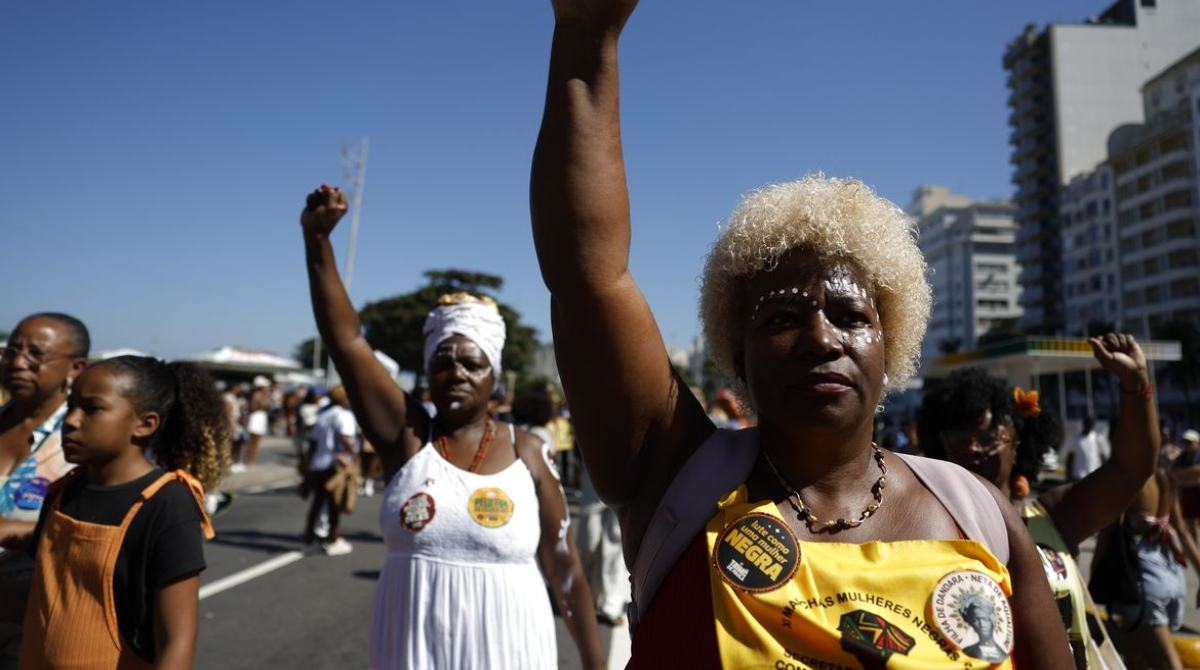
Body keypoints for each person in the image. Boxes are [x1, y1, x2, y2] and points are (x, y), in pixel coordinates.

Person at [528, 2, 1072, 667]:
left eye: (851, 316)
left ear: (891, 343)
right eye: (782, 319)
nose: (821, 339)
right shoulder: (674, 478)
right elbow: (588, 276)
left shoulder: (976, 511)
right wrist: (587, 35)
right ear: (736, 351)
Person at [300, 185, 606, 669]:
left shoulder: (528, 451)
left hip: (511, 652)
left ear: (494, 377)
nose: (457, 372)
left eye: (472, 363)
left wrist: (596, 664)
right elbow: (348, 343)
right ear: (427, 372)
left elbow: (564, 565)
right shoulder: (407, 438)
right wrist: (317, 242)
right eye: (444, 362)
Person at [919, 333, 1158, 669]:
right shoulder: (927, 525)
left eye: (989, 437)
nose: (973, 447)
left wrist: (1136, 385)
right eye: (959, 437)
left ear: (1017, 445)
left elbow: (1132, 469)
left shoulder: (1055, 515)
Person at [2, 355, 228, 669]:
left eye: (91, 409)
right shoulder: (63, 492)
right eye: (71, 406)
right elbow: (46, 597)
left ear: (145, 424)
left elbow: (176, 640)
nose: (71, 420)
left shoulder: (166, 503)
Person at [0, 313, 89, 668]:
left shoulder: (85, 443)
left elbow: (95, 535)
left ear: (76, 368)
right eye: (12, 351)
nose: (18, 362)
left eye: (36, 354)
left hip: (36, 626)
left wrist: (14, 531)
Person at [1116, 425, 1200, 669]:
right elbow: (1183, 532)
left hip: (1143, 579)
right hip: (1171, 572)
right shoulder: (1165, 480)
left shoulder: (1128, 484)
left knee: (1167, 662)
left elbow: (1109, 535)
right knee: (1135, 657)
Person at [302, 385, 359, 555]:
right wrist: (356, 458)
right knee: (335, 503)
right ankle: (334, 538)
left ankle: (309, 537)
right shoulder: (343, 415)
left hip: (318, 463)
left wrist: (308, 464)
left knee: (318, 502)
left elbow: (313, 442)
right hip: (335, 464)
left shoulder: (323, 414)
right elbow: (345, 438)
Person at [1062, 415, 1109, 481]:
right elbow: (1070, 457)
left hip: (1093, 475)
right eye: (1087, 424)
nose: (1089, 427)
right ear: (1084, 424)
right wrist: (1068, 475)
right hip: (1078, 475)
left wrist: (1105, 475)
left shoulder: (1097, 438)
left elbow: (1103, 458)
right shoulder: (1075, 438)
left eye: (1091, 425)